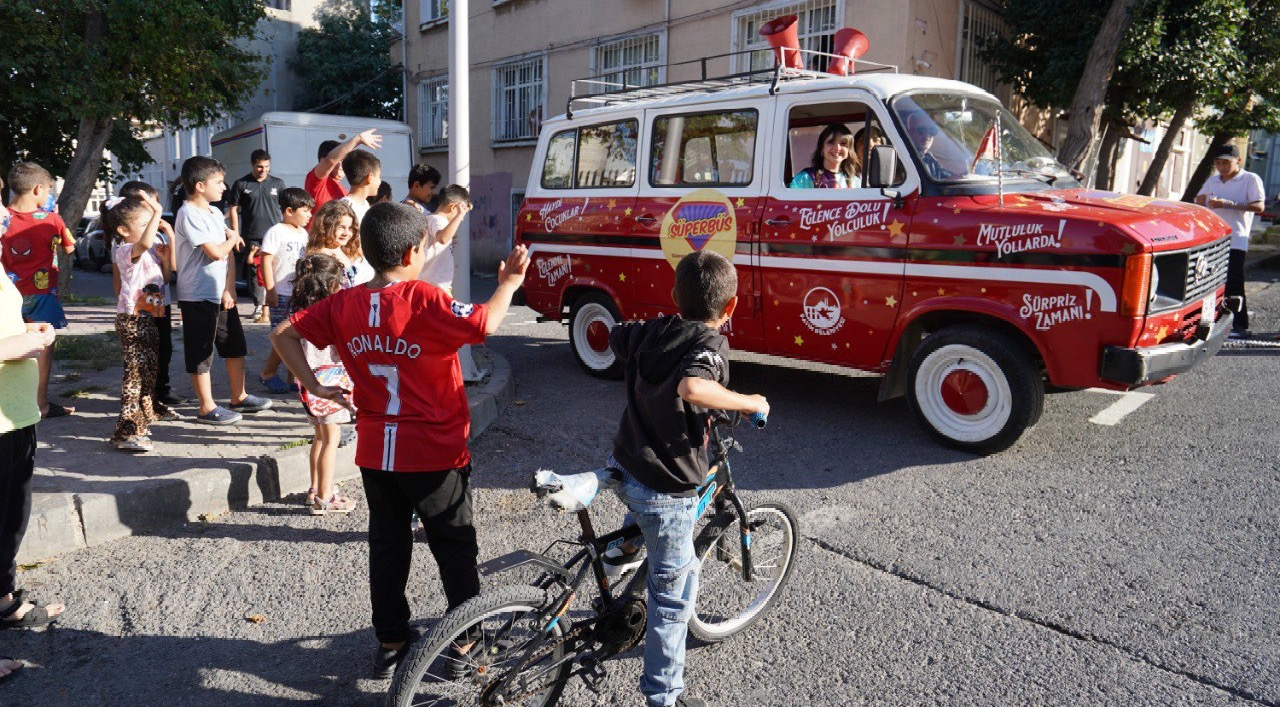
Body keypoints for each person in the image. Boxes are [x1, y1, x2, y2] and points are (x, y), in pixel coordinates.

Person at [271, 202, 531, 679]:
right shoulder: (425, 298)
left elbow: (283, 333)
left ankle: (390, 642)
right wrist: (509, 283)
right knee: (453, 545)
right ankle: (467, 645)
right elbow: (487, 324)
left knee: (388, 545)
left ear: (366, 250)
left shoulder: (342, 303)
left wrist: (314, 382)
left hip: (375, 449)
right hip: (433, 449)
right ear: (414, 251)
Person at [600, 250, 769, 707]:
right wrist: (750, 400)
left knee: (642, 514)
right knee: (672, 603)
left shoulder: (652, 329)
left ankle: (621, 554)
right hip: (667, 484)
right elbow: (694, 386)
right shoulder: (710, 348)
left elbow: (616, 337)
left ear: (674, 296)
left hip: (628, 461)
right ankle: (664, 697)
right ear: (730, 307)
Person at [0, 199, 66, 680]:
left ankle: (4, 600)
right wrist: (23, 344)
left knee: (10, 519)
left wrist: (27, 328)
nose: (3, 211)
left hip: (15, 414)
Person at [173, 156, 273, 425]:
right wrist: (230, 239)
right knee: (201, 351)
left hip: (220, 294)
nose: (224, 186)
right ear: (200, 186)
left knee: (234, 345)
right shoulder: (188, 213)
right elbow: (217, 251)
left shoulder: (215, 213)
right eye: (218, 181)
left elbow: (228, 256)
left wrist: (229, 289)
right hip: (197, 294)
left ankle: (238, 396)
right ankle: (206, 407)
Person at [1, 162, 77, 419]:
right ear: (37, 189)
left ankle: (10, 401)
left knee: (9, 344)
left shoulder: (3, 218)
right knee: (43, 346)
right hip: (42, 294)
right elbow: (69, 248)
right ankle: (40, 403)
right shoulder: (51, 219)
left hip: (8, 294)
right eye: (47, 190)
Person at [286, 254, 358, 515]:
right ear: (330, 285)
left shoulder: (301, 312)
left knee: (319, 437)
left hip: (307, 383)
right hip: (330, 383)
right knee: (331, 439)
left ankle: (315, 488)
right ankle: (325, 498)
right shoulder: (330, 313)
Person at [106, 194, 177, 452]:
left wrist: (166, 257)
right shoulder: (125, 251)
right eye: (145, 223)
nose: (152, 228)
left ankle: (145, 416)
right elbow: (145, 241)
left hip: (151, 317)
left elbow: (166, 279)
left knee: (149, 371)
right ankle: (126, 431)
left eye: (152, 222)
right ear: (123, 230)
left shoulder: (150, 253)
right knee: (134, 376)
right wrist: (158, 209)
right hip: (133, 319)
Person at [119, 180, 186, 406]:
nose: (156, 209)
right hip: (138, 309)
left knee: (162, 349)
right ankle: (137, 400)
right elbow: (121, 277)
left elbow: (167, 277)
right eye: (151, 205)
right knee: (140, 358)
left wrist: (167, 254)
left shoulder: (156, 237)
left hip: (157, 303)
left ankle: (158, 391)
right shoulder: (127, 243)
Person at [1195, 144, 1264, 338]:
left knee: (1234, 281)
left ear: (1238, 161)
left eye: (1226, 162)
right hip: (1212, 238)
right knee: (1209, 282)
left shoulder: (1250, 179)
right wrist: (1200, 200)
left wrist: (1229, 204)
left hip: (1236, 238)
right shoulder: (1213, 180)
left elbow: (1259, 206)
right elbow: (1199, 198)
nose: (1222, 167)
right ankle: (1214, 321)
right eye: (1218, 163)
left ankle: (1240, 324)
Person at [258, 187, 315, 393]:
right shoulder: (276, 231)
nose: (309, 215)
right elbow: (266, 260)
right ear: (289, 211)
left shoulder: (303, 233)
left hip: (299, 294)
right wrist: (270, 290)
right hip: (281, 294)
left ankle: (294, 378)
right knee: (281, 337)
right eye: (305, 210)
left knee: (297, 336)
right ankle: (268, 373)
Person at [228, 149, 286, 321]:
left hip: (275, 234)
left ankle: (276, 302)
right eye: (260, 167)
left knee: (275, 269)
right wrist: (236, 234)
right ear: (253, 165)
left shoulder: (278, 183)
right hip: (252, 235)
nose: (264, 170)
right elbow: (233, 209)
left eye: (267, 166)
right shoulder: (241, 184)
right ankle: (259, 306)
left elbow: (286, 208)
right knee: (254, 272)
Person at [306, 128, 383, 209]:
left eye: (343, 160)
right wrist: (358, 139)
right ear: (322, 161)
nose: (342, 164)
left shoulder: (345, 193)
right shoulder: (316, 181)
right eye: (339, 160)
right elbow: (330, 160)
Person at [417, 184, 472, 295]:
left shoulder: (431, 219)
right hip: (436, 287)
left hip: (431, 286)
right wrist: (459, 215)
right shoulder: (438, 220)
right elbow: (442, 238)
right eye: (463, 215)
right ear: (452, 207)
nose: (461, 220)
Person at [789, 123, 856, 188]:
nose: (837, 148)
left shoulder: (855, 182)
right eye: (831, 142)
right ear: (822, 149)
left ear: (849, 151)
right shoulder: (804, 179)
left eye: (843, 143)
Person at [904, 111, 954, 180]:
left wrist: (965, 175)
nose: (927, 135)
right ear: (910, 133)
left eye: (932, 130)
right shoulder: (904, 159)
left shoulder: (929, 159)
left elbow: (950, 178)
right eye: (921, 130)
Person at [340, 149, 382, 225]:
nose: (380, 181)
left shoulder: (365, 203)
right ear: (370, 177)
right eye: (379, 177)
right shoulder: (346, 207)